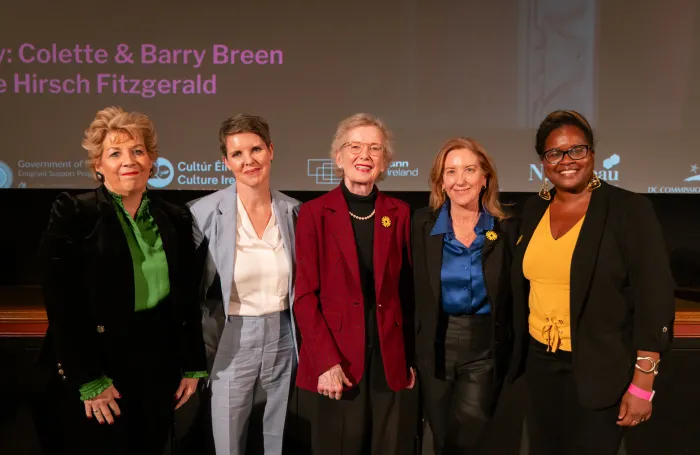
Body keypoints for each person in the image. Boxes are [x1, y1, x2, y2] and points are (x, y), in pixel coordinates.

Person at [35, 106, 207, 455]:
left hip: (157, 366)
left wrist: (192, 364)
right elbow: (62, 303)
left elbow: (185, 298)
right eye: (115, 153)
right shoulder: (74, 212)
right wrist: (90, 380)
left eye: (138, 150)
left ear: (151, 160)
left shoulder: (174, 217)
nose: (129, 160)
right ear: (98, 165)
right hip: (98, 366)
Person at [508, 110, 676, 455]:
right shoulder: (533, 209)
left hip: (602, 369)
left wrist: (644, 385)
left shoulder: (629, 209)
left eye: (577, 150)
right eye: (554, 153)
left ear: (592, 154)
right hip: (541, 366)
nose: (566, 161)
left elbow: (654, 298)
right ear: (543, 161)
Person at [293, 113, 416, 455]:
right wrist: (325, 362)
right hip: (338, 365)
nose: (365, 155)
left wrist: (408, 357)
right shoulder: (314, 213)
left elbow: (406, 292)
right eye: (355, 146)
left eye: (375, 148)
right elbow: (304, 296)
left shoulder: (401, 213)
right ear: (338, 157)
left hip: (388, 364)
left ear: (384, 160)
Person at [188, 113, 301, 455]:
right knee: (228, 442)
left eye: (255, 149)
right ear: (226, 162)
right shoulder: (202, 213)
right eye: (237, 154)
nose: (248, 160)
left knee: (278, 438)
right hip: (231, 338)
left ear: (271, 151)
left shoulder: (295, 212)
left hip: (283, 335)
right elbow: (189, 289)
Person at [412, 138, 516, 454]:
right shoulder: (420, 225)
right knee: (441, 438)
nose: (460, 180)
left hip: (483, 350)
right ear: (440, 182)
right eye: (451, 172)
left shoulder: (506, 228)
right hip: (435, 348)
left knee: (467, 438)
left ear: (485, 177)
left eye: (469, 170)